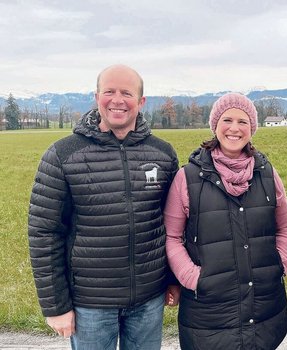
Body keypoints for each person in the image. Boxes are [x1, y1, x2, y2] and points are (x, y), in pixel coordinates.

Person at [28, 64, 180, 350]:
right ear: (97, 97)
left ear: (141, 101)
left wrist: (173, 280)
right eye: (109, 91)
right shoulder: (63, 154)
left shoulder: (163, 154)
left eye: (127, 92)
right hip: (90, 305)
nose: (117, 100)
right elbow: (44, 233)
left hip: (149, 299)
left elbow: (173, 224)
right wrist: (56, 306)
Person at [164, 92, 287, 349]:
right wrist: (193, 278)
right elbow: (172, 237)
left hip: (264, 306)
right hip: (208, 312)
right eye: (227, 120)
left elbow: (285, 226)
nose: (234, 128)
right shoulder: (188, 177)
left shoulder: (267, 173)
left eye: (243, 121)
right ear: (215, 125)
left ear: (252, 128)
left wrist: (280, 261)